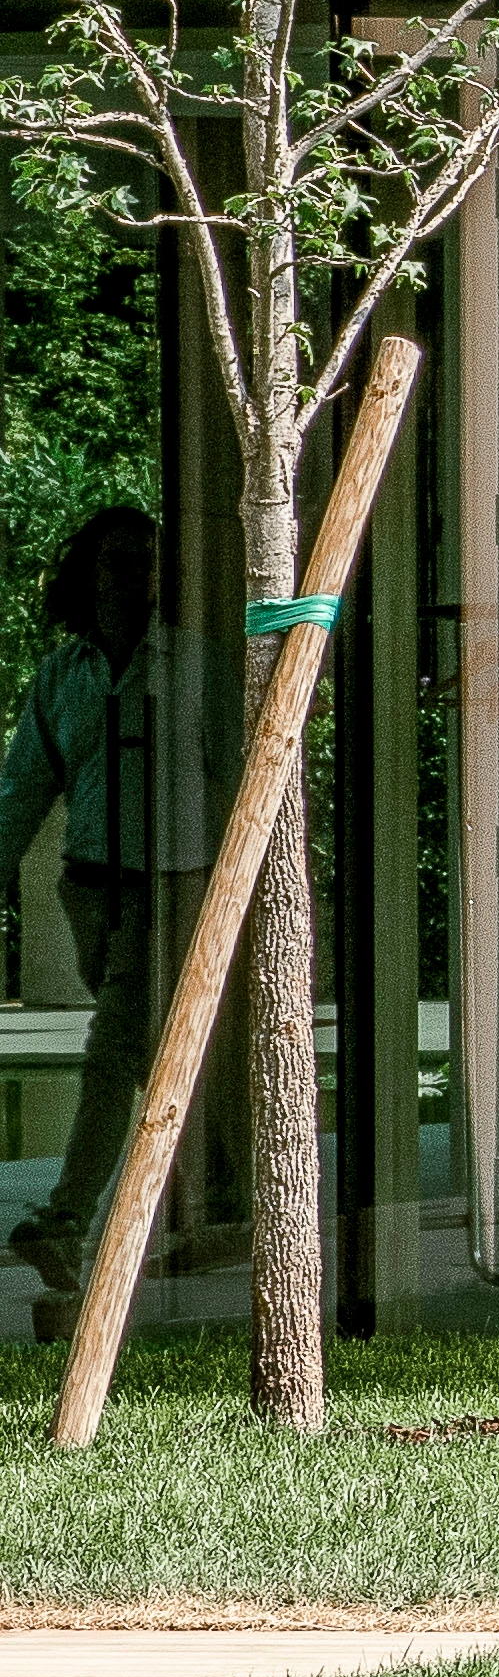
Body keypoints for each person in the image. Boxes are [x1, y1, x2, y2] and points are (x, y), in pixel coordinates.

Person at [5, 507, 175, 1301]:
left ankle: (68, 1218)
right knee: (142, 1049)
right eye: (116, 560)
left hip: (164, 888)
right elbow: (23, 790)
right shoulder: (61, 676)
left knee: (112, 1048)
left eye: (144, 559)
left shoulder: (183, 663)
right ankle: (197, 1198)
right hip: (87, 887)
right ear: (89, 571)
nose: (131, 574)